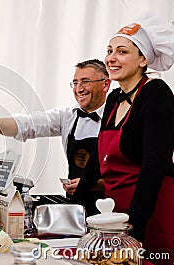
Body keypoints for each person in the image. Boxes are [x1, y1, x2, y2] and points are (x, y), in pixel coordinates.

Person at [78, 16, 174, 263]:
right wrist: (74, 205)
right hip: (116, 218)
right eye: (109, 51)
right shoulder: (113, 98)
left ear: (143, 60)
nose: (111, 58)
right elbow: (99, 160)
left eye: (122, 51)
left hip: (151, 215)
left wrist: (135, 228)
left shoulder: (157, 94)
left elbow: (155, 165)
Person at [0, 59, 111, 215]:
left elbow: (130, 174)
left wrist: (92, 184)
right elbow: (30, 124)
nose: (79, 89)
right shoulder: (67, 115)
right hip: (77, 205)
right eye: (75, 83)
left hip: (111, 205)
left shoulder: (120, 116)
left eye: (85, 82)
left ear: (105, 84)